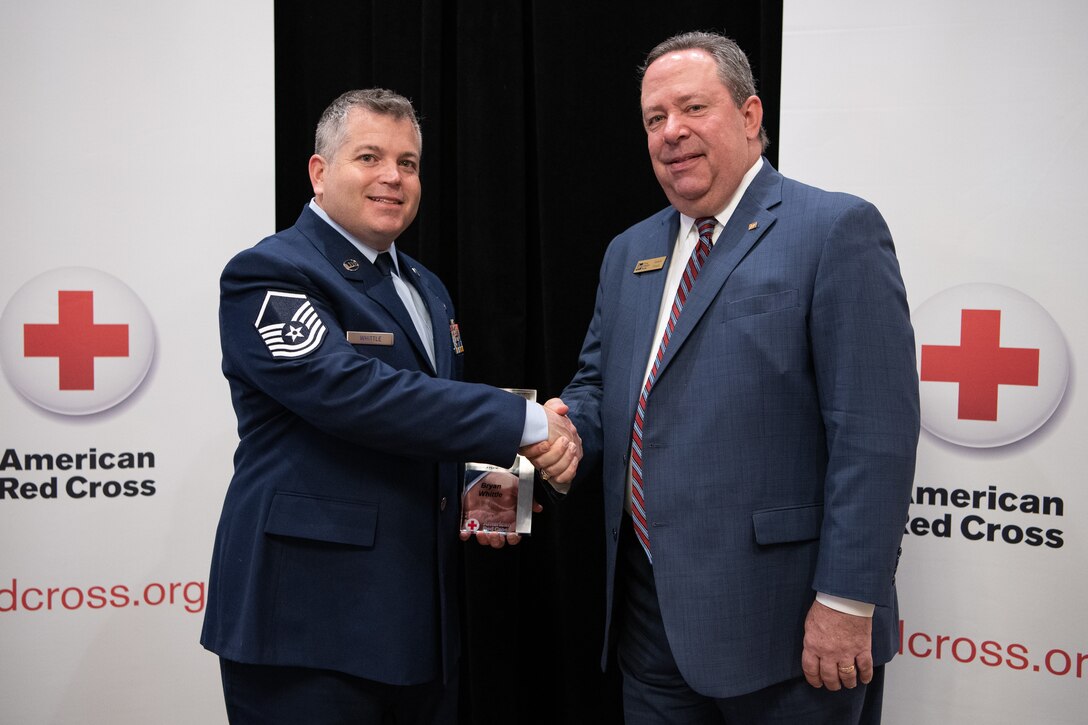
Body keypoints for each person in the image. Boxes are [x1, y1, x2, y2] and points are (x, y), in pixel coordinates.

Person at [539, 31, 920, 723]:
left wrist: (846, 601)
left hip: (788, 626)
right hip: (650, 622)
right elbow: (602, 387)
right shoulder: (630, 250)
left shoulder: (834, 230)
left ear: (750, 116)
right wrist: (561, 431)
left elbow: (874, 435)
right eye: (655, 118)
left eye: (692, 108)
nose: (671, 132)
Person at [200, 88, 581, 725]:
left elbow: (419, 422)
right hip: (306, 628)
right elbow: (353, 394)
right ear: (319, 172)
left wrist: (475, 486)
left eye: (408, 163)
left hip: (414, 625)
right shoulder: (269, 273)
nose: (392, 177)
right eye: (369, 157)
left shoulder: (425, 287)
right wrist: (527, 422)